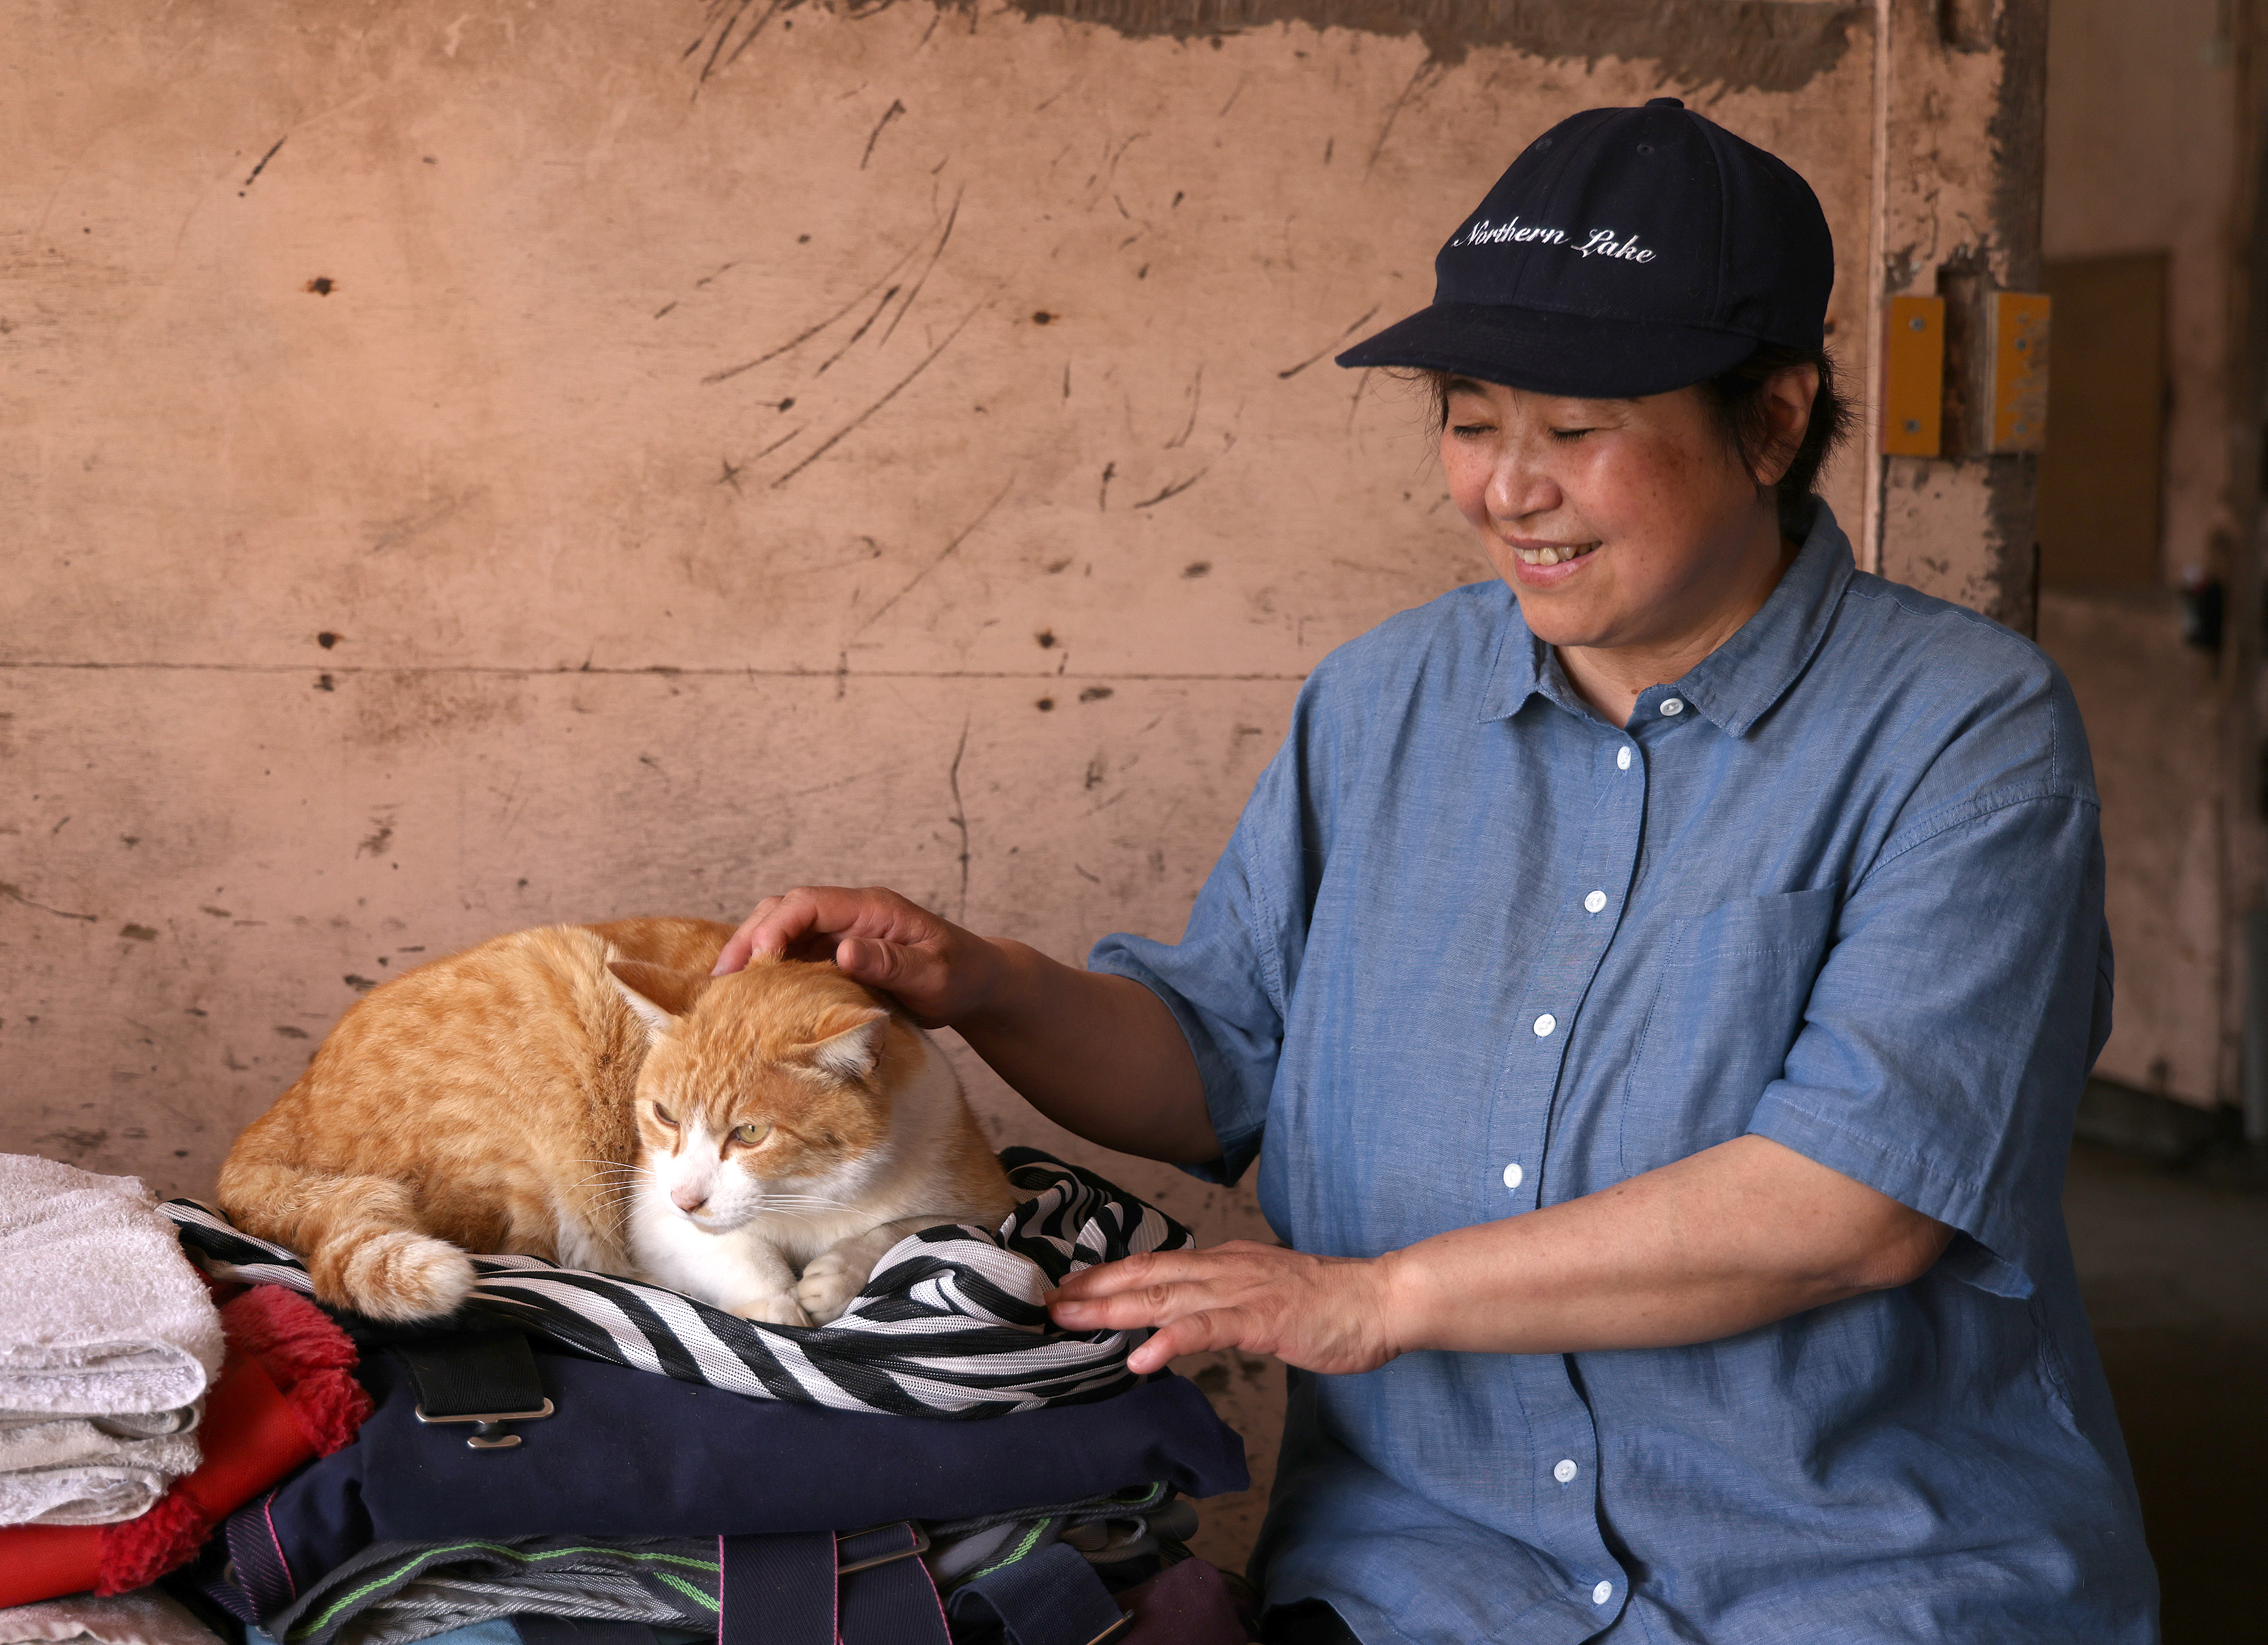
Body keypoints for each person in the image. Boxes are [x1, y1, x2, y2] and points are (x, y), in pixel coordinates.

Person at [714, 100, 2157, 1643]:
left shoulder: (1964, 728)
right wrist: (981, 983)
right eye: (1473, 423)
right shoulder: (1381, 704)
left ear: (1776, 421)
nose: (1506, 490)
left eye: (1577, 432)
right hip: (1438, 1585)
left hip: (1851, 1579)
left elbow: (1857, 1207)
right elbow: (1218, 1069)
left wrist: (1375, 1300)